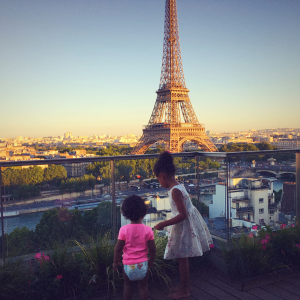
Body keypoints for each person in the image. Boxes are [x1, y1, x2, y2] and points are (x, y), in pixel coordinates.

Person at [154, 151, 213, 299]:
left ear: (162, 176)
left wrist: (163, 223)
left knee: (182, 259)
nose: (159, 183)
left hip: (183, 227)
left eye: (158, 179)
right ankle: (185, 286)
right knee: (183, 258)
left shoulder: (174, 191)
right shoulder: (179, 186)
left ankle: (185, 290)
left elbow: (182, 214)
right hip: (186, 226)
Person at [113, 195, 156, 300]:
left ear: (125, 213)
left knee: (127, 286)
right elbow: (153, 248)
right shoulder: (148, 230)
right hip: (143, 264)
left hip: (128, 265)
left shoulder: (124, 230)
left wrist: (116, 261)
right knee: (143, 287)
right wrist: (151, 260)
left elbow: (118, 248)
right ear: (144, 212)